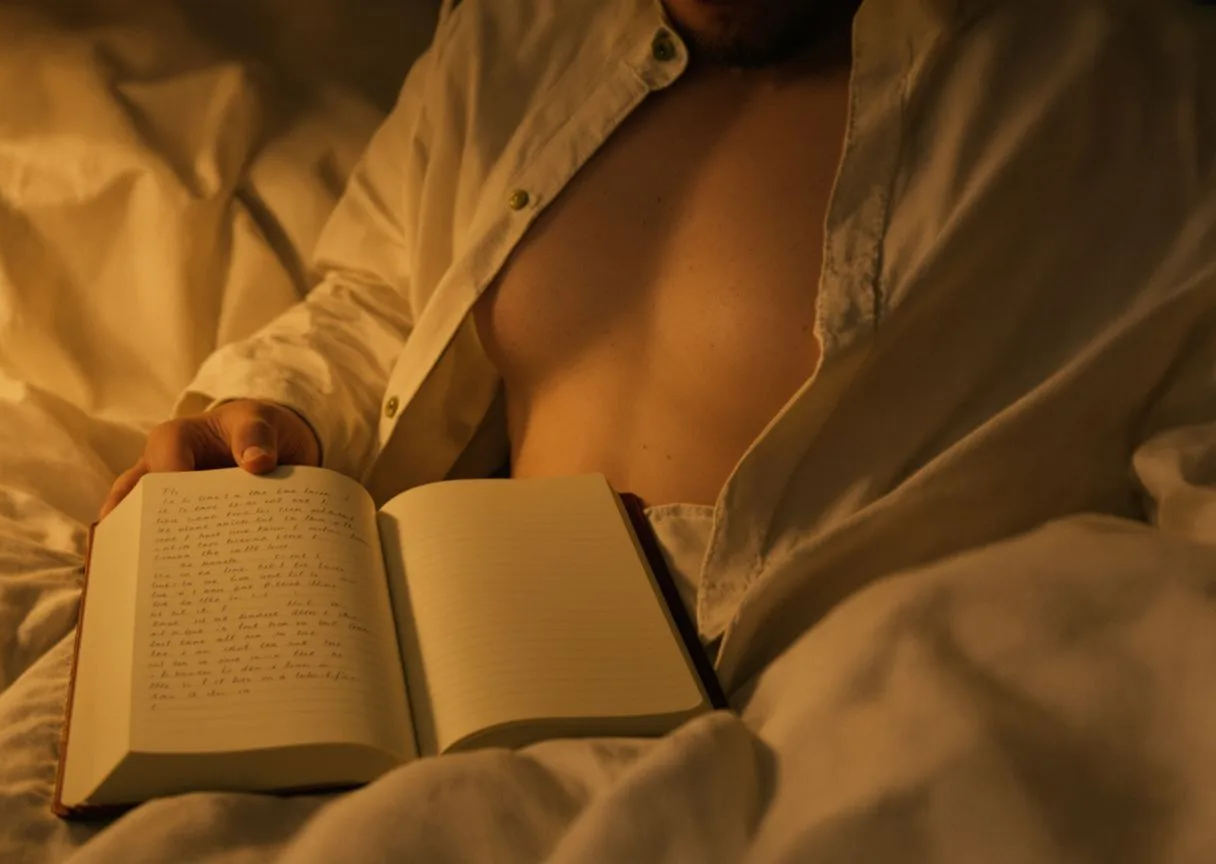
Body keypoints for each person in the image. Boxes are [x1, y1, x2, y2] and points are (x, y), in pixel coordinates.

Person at [102, 0, 1216, 689]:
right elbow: (382, 295)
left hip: (857, 709)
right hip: (474, 680)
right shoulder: (512, 31)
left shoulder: (1127, 88)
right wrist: (272, 414)